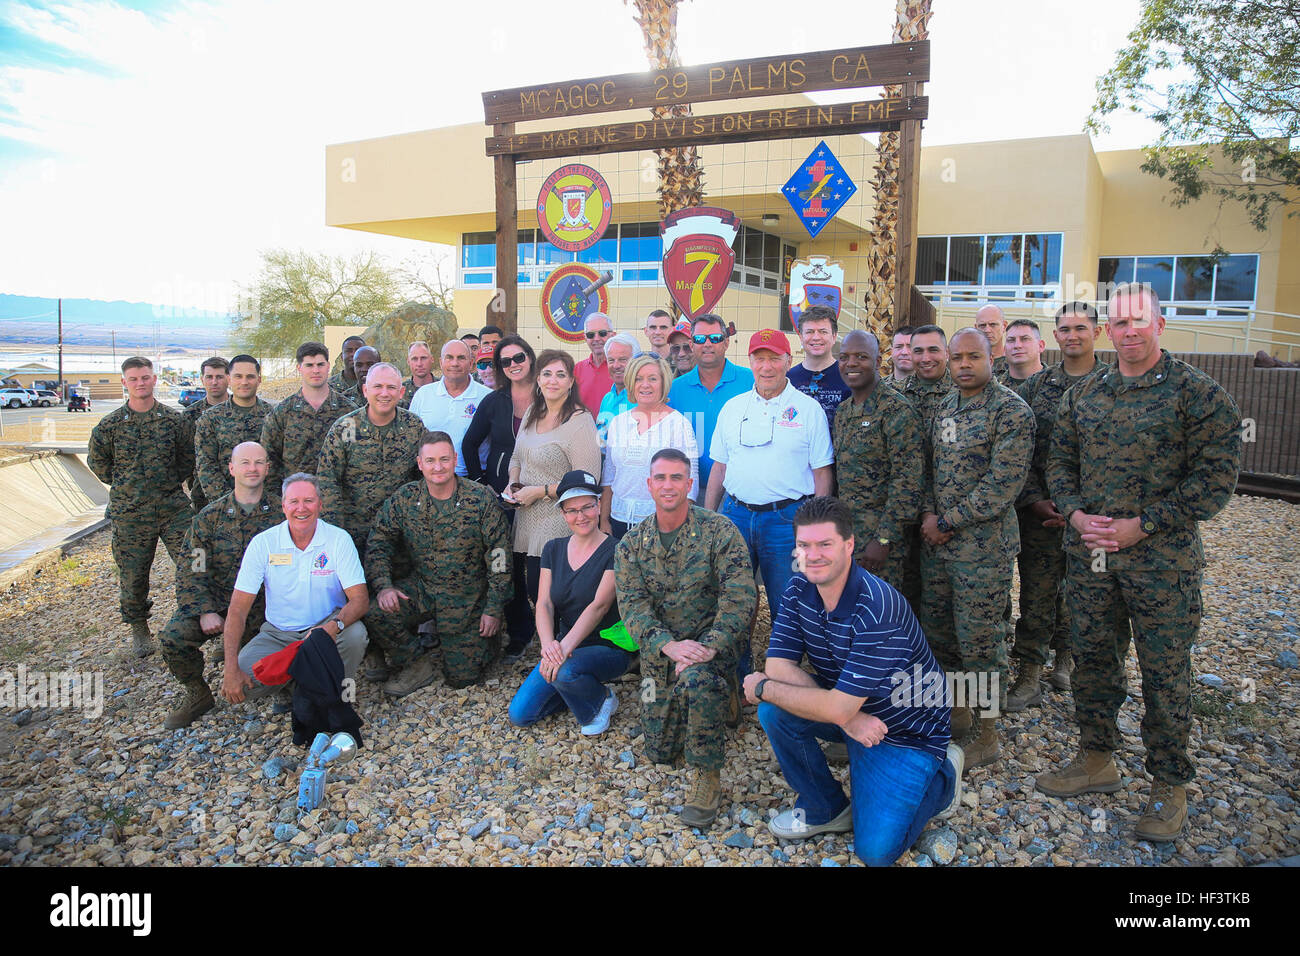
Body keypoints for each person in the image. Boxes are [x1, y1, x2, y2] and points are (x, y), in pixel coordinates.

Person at [1037, 283, 1241, 842]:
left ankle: (1168, 783)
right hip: (1091, 558)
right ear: (1110, 330)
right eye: (1120, 323)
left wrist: (1143, 525)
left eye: (1139, 321)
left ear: (1160, 324)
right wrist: (1076, 516)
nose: (1129, 331)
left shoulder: (1197, 394)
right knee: (1095, 662)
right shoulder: (1087, 394)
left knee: (1164, 674)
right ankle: (1096, 757)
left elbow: (1215, 481)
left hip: (1162, 564)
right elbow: (1061, 462)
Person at [748, 496, 960, 866]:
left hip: (905, 730)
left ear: (849, 545)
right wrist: (848, 717)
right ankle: (825, 806)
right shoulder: (799, 588)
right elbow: (778, 664)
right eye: (804, 545)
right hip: (855, 711)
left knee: (876, 853)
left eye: (825, 545)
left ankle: (943, 777)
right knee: (775, 712)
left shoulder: (877, 606)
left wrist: (762, 687)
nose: (812, 556)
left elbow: (773, 679)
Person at [615, 449, 757, 827]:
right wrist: (668, 645)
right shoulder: (632, 544)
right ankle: (716, 699)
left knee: (697, 683)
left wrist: (708, 647)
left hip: (711, 651)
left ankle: (706, 779)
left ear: (690, 484)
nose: (668, 486)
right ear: (649, 485)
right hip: (660, 656)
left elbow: (740, 596)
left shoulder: (719, 532)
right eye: (660, 478)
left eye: (676, 478)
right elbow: (632, 606)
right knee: (659, 751)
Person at [919, 327, 1034, 768]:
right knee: (943, 635)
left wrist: (948, 520)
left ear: (992, 357)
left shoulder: (1010, 411)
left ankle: (988, 732)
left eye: (973, 356)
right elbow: (932, 469)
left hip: (982, 550)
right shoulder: (946, 405)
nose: (964, 364)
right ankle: (957, 712)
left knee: (981, 642)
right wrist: (930, 515)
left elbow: (1003, 484)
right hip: (940, 547)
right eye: (957, 357)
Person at [706, 329, 833, 676]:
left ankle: (784, 677)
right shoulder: (733, 408)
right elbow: (719, 466)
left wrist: (818, 529)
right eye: (759, 358)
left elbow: (822, 472)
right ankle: (739, 675)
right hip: (734, 516)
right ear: (749, 362)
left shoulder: (809, 410)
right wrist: (709, 517)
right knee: (736, 600)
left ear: (788, 361)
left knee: (787, 601)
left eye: (774, 358)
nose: (766, 366)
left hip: (786, 520)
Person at [1004, 303, 1109, 709]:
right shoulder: (1036, 386)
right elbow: (1019, 451)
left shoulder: (1113, 383)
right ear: (1057, 336)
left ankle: (1069, 660)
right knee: (1038, 593)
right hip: (1043, 514)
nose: (1072, 336)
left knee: (1087, 595)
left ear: (1096, 333)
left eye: (1080, 328)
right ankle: (1029, 672)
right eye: (1065, 329)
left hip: (1095, 517)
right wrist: (1032, 499)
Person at [365, 431, 513, 696]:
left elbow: (500, 559)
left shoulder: (479, 500)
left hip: (468, 597)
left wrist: (493, 610)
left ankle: (485, 644)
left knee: (462, 678)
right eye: (430, 460)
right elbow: (379, 542)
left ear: (455, 460)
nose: (438, 467)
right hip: (424, 587)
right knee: (377, 612)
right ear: (419, 463)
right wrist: (384, 585)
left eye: (444, 459)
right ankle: (416, 663)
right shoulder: (405, 499)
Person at [159, 441, 282, 728]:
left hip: (269, 607)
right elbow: (192, 571)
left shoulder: (283, 512)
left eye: (258, 462)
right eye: (245, 463)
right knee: (173, 637)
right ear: (231, 469)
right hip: (222, 606)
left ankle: (285, 686)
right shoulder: (209, 518)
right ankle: (197, 693)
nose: (252, 469)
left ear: (267, 468)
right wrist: (204, 610)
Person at [222, 474, 370, 704]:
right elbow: (237, 610)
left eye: (309, 501)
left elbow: (360, 600)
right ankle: (297, 684)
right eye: (293, 502)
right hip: (278, 634)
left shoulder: (339, 539)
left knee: (355, 636)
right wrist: (230, 669)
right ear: (283, 506)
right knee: (243, 684)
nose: (301, 508)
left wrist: (333, 626)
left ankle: (338, 695)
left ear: (320, 504)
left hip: (325, 626)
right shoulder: (263, 544)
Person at [508, 470, 634, 732]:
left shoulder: (617, 549)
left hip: (608, 646)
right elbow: (543, 603)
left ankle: (602, 700)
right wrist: (548, 647)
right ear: (563, 514)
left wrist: (562, 651)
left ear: (599, 506)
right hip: (564, 646)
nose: (581, 516)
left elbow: (598, 606)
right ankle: (576, 688)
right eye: (572, 510)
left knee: (565, 672)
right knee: (521, 714)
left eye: (587, 506)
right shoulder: (553, 549)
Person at [89, 356, 195, 657]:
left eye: (146, 377)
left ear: (154, 379)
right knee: (133, 575)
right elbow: (99, 464)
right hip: (130, 513)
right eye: (134, 379)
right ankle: (139, 631)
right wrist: (128, 486)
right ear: (125, 382)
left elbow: (187, 458)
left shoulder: (174, 421)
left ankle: (196, 620)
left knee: (193, 564)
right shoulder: (109, 426)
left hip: (173, 508)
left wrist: (167, 482)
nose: (140, 383)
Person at [504, 350, 602, 662]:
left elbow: (588, 480)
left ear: (572, 381)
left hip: (558, 522)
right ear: (538, 379)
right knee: (531, 591)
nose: (553, 380)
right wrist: (514, 482)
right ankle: (548, 649)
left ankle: (568, 653)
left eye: (561, 374)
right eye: (547, 374)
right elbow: (517, 456)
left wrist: (541, 491)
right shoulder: (533, 412)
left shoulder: (579, 422)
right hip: (526, 518)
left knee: (547, 592)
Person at [833, 330, 924, 599]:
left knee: (881, 612)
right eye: (844, 357)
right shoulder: (843, 412)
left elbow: (908, 483)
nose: (851, 363)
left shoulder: (896, 410)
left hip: (882, 543)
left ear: (878, 361)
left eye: (861, 357)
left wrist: (883, 539)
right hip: (849, 536)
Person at [463, 335, 538, 659]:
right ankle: (520, 632)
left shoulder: (548, 395)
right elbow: (469, 444)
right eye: (505, 362)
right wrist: (484, 484)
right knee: (510, 565)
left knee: (541, 565)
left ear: (530, 358)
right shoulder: (494, 402)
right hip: (503, 497)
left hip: (542, 495)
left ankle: (557, 631)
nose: (513, 365)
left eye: (518, 357)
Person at [316, 362, 426, 557]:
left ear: (401, 392)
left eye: (391, 387)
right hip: (355, 536)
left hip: (400, 535)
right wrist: (335, 534)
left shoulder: (414, 426)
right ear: (366, 390)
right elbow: (328, 482)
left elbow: (424, 476)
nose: (384, 393)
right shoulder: (345, 428)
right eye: (378, 387)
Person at [601, 354, 699, 539]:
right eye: (638, 379)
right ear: (630, 382)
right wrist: (604, 519)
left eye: (652, 379)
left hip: (662, 524)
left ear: (663, 383)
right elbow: (609, 476)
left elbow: (690, 481)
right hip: (618, 520)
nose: (645, 385)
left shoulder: (678, 424)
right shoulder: (618, 423)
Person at [666, 313, 754, 493]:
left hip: (739, 492)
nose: (707, 344)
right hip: (690, 491)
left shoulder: (751, 382)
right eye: (699, 339)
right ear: (692, 344)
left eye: (715, 338)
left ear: (726, 342)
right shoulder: (674, 389)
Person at [900, 324, 954, 606]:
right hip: (903, 511)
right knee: (905, 592)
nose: (925, 357)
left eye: (933, 350)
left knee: (941, 600)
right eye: (917, 350)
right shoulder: (893, 393)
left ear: (947, 352)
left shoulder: (964, 393)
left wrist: (932, 512)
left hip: (946, 515)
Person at [260, 342, 358, 489]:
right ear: (299, 368)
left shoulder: (348, 411)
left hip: (335, 498)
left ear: (328, 366)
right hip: (296, 500)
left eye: (320, 364)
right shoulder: (283, 412)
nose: (316, 370)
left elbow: (355, 457)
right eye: (309, 365)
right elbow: (269, 459)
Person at [194, 354, 274, 502]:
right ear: (229, 380)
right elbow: (206, 466)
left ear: (259, 380)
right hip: (222, 505)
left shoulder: (274, 416)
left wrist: (268, 500)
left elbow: (277, 463)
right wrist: (229, 503)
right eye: (238, 376)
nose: (244, 382)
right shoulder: (210, 419)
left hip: (266, 506)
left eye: (250, 376)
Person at [408, 339, 492, 478]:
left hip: (474, 479)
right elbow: (411, 439)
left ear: (471, 363)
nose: (455, 363)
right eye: (449, 358)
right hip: (431, 479)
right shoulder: (423, 395)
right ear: (441, 362)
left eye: (461, 358)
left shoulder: (487, 397)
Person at [787, 305, 850, 430]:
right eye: (810, 332)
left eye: (823, 331)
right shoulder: (788, 379)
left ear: (834, 336)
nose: (816, 337)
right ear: (801, 337)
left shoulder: (849, 377)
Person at [182, 356, 229, 514]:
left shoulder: (242, 409)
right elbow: (185, 457)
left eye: (219, 377)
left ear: (228, 378)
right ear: (202, 379)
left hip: (239, 490)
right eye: (209, 377)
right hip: (203, 494)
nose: (214, 382)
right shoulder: (190, 415)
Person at [595, 331, 640, 440]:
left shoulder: (643, 398)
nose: (616, 365)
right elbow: (601, 441)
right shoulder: (607, 399)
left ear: (636, 361)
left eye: (623, 360)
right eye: (611, 360)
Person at [573, 313, 614, 413]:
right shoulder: (577, 369)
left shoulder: (622, 369)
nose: (596, 338)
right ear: (585, 338)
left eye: (602, 333)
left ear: (612, 335)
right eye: (591, 335)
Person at [1000, 318, 1046, 391]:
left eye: (1025, 339)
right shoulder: (992, 387)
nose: (1017, 345)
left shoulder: (1058, 384)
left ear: (1040, 346)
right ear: (1004, 349)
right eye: (1011, 340)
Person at [975, 305, 1010, 379]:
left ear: (1004, 326)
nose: (987, 330)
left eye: (993, 325)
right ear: (976, 328)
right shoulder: (969, 362)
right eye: (982, 325)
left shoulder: (1015, 362)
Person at [401, 341, 437, 408]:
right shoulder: (401, 391)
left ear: (432, 359)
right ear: (408, 362)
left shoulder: (443, 387)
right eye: (414, 359)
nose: (419, 364)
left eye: (423, 358)